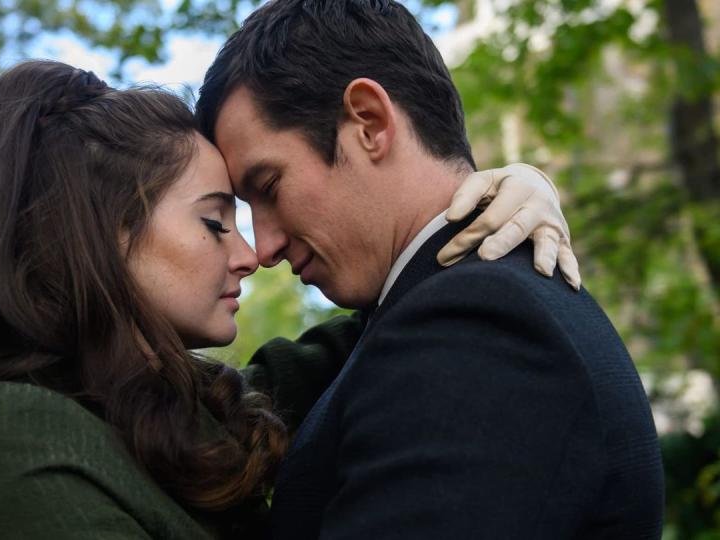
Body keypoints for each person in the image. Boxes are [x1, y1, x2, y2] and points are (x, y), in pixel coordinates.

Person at [0, 60, 577, 539]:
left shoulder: (169, 410)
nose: (250, 252)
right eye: (215, 220)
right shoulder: (5, 434)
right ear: (101, 235)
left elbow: (388, 326)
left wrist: (497, 198)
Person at [195, 0, 665, 538]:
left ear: (368, 122)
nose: (265, 248)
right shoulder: (434, 315)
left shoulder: (476, 327)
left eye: (270, 187)